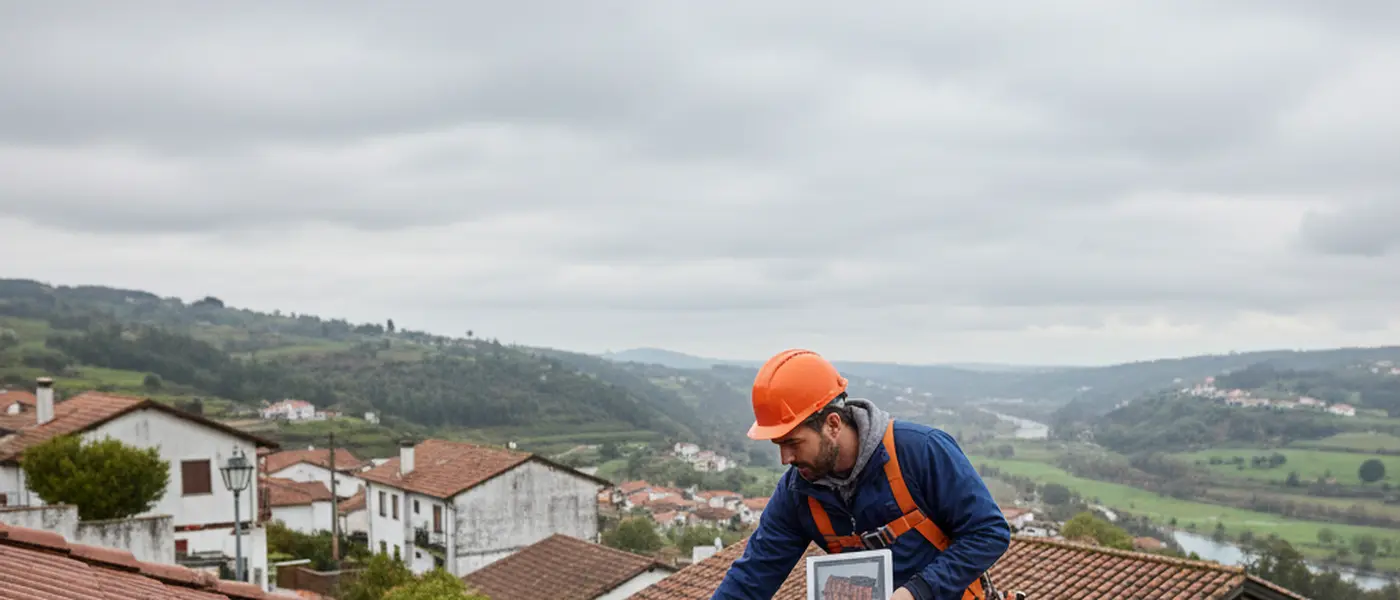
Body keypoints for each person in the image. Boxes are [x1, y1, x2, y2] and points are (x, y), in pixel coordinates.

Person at [710, 349, 1010, 600]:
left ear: (832, 424)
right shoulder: (797, 493)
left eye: (793, 443)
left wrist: (917, 591)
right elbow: (752, 577)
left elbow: (988, 533)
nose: (785, 458)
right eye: (779, 444)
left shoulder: (920, 451)